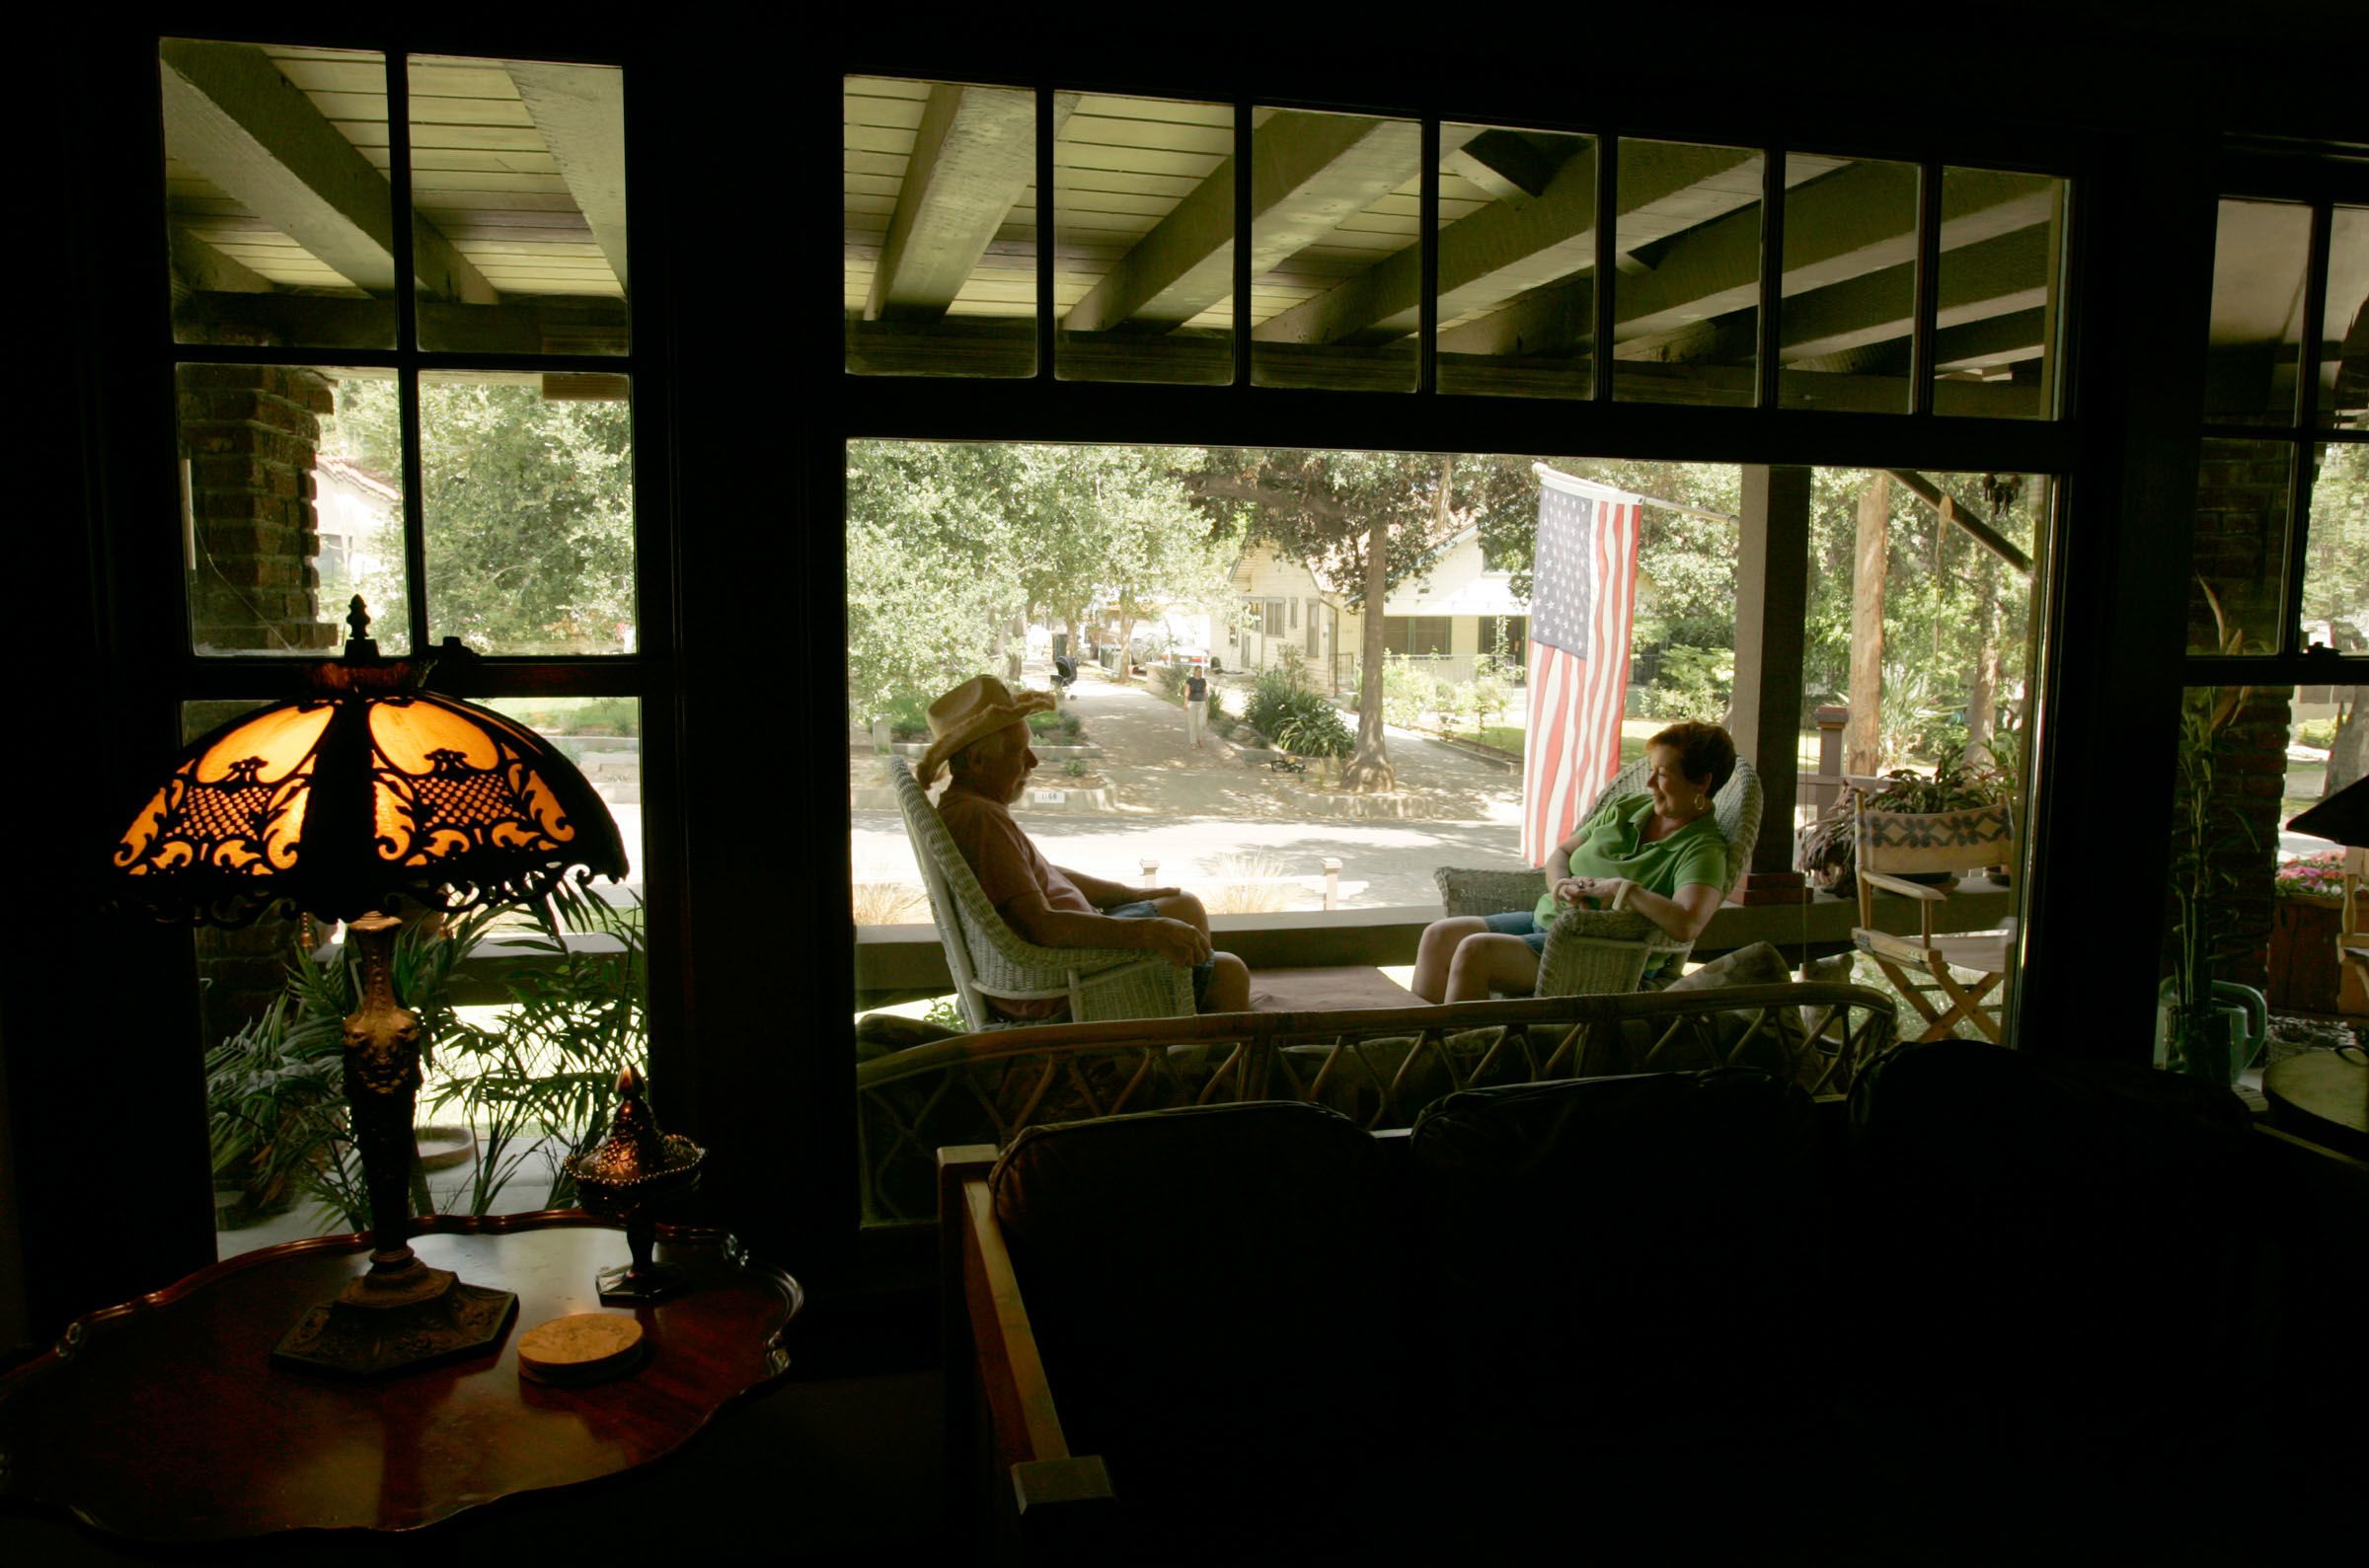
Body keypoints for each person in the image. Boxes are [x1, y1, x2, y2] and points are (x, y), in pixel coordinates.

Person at [919, 675, 1252, 1019]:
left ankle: (1182, 1006)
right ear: (977, 762)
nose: (1033, 762)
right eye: (1020, 751)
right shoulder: (979, 820)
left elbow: (1043, 875)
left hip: (1070, 953)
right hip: (1065, 978)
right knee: (1229, 974)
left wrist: (1127, 894)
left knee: (1183, 906)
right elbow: (1044, 927)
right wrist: (1150, 932)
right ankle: (1190, 1036)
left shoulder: (970, 806)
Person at [1410, 722, 1737, 1004]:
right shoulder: (1627, 807)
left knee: (1475, 952)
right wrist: (1560, 883)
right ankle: (1420, 1047)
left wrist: (1622, 890)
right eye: (1651, 770)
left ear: (1702, 783)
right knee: (1439, 936)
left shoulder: (1703, 849)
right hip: (1550, 921)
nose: (1649, 783)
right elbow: (1563, 852)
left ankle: (1461, 1059)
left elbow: (1687, 924)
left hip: (1601, 952)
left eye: (1662, 774)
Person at [1184, 666, 1209, 748]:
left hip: (1202, 703)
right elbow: (1187, 691)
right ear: (1194, 672)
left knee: (1202, 723)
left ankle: (1199, 739)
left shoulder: (1203, 681)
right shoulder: (1190, 680)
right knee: (1192, 723)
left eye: (1201, 672)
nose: (1199, 673)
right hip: (1192, 703)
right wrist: (1185, 703)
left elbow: (1205, 692)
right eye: (1198, 671)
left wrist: (1207, 703)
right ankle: (1193, 742)